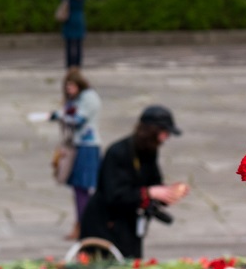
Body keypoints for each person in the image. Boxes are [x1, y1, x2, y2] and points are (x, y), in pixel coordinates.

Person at [80, 105, 189, 259]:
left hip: (129, 224)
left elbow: (154, 182)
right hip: (105, 224)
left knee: (132, 261)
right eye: (165, 132)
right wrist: (149, 193)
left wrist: (168, 193)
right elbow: (114, 195)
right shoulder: (118, 152)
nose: (166, 138)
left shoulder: (149, 151)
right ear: (152, 131)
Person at [49, 68, 102, 239]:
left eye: (71, 86)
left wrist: (58, 116)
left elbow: (78, 119)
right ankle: (83, 223)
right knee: (79, 189)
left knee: (83, 187)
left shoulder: (89, 98)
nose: (69, 90)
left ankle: (84, 225)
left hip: (88, 146)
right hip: (78, 145)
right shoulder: (78, 98)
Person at [60, 0, 86, 67]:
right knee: (78, 45)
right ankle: (77, 65)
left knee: (69, 44)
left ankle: (70, 65)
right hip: (79, 18)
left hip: (69, 19)